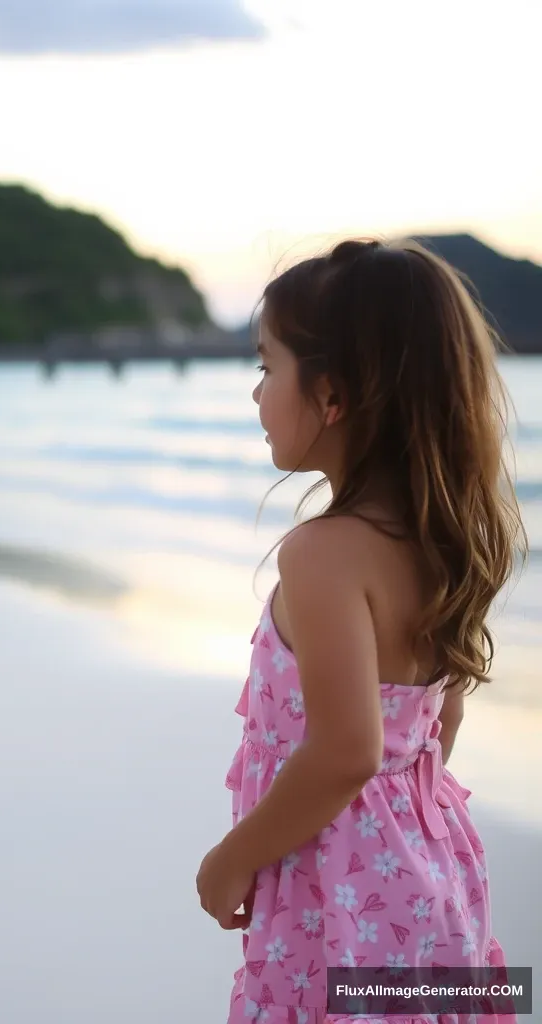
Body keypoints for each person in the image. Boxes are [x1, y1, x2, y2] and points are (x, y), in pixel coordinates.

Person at [195, 238, 528, 1022]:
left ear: (333, 395)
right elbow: (435, 726)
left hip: (340, 901)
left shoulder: (322, 556)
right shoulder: (436, 540)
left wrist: (232, 860)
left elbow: (348, 750)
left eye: (266, 367)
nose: (256, 393)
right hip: (435, 876)